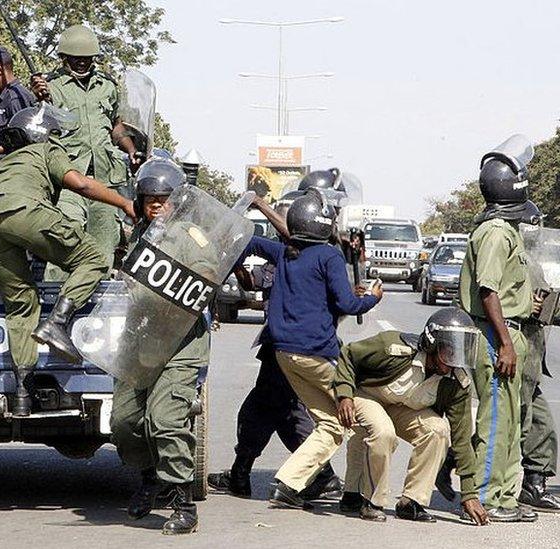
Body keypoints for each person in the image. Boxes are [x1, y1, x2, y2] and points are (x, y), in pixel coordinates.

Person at [0, 106, 136, 416]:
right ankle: (57, 322)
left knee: (22, 301)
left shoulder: (4, 165)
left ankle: (21, 392)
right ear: (43, 134)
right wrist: (125, 202)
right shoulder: (46, 149)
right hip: (24, 212)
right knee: (93, 258)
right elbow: (81, 185)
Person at [234, 189, 382, 510]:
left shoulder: (287, 252)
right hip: (318, 353)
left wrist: (227, 243)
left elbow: (252, 243)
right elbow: (347, 303)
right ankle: (356, 494)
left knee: (324, 423)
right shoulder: (329, 256)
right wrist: (373, 298)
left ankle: (287, 483)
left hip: (284, 353)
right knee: (368, 419)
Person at [208, 193, 343, 501]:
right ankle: (317, 475)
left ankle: (316, 475)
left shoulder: (319, 254)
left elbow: (289, 232)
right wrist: (236, 265)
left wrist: (262, 205)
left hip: (294, 347)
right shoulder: (289, 255)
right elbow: (254, 282)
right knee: (278, 413)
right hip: (282, 347)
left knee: (265, 412)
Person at [110, 159, 207, 535]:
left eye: (164, 199)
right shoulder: (138, 234)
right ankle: (150, 478)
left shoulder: (192, 236)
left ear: (177, 202)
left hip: (181, 343)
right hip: (140, 341)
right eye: (150, 198)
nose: (156, 204)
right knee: (124, 421)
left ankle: (183, 503)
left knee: (165, 420)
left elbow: (206, 274)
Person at [333, 308, 489, 525]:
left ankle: (411, 502)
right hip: (368, 395)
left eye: (461, 353)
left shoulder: (456, 382)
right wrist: (344, 395)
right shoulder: (393, 348)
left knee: (437, 430)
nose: (455, 360)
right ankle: (370, 500)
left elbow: (462, 441)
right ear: (432, 344)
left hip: (402, 406)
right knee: (383, 432)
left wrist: (469, 494)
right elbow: (349, 354)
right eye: (449, 352)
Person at [458, 137, 541, 522]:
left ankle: (507, 495)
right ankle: (489, 496)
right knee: (494, 423)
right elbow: (488, 291)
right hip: (496, 337)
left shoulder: (506, 230)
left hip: (510, 332)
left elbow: (506, 288)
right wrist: (505, 344)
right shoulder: (494, 232)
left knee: (510, 420)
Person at [30, 24, 142, 277]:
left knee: (104, 242)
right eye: (76, 59)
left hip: (105, 178)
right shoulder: (51, 87)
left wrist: (131, 149)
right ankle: (56, 296)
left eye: (87, 59)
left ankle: (94, 300)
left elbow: (116, 126)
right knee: (66, 234)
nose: (82, 64)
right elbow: (36, 124)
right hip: (68, 177)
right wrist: (38, 97)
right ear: (64, 58)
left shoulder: (107, 86)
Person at [519, 321, 560, 511]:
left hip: (529, 362)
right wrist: (528, 305)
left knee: (541, 424)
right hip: (513, 355)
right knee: (508, 426)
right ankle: (455, 459)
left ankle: (533, 488)